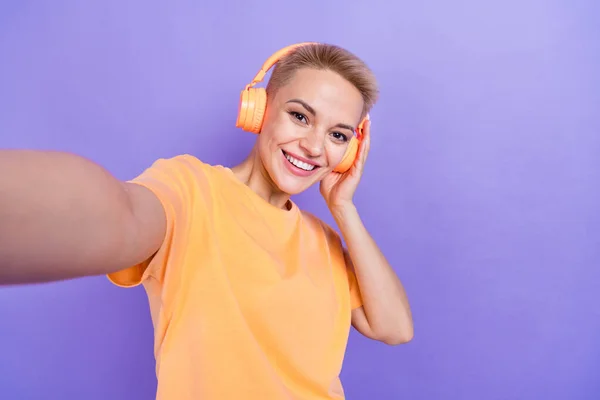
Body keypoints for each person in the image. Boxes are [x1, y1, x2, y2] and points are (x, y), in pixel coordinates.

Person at [0, 42, 413, 399]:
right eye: (300, 116)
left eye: (338, 135)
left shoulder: (325, 242)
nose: (313, 146)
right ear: (259, 110)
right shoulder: (190, 188)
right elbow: (118, 214)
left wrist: (344, 208)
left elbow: (395, 328)